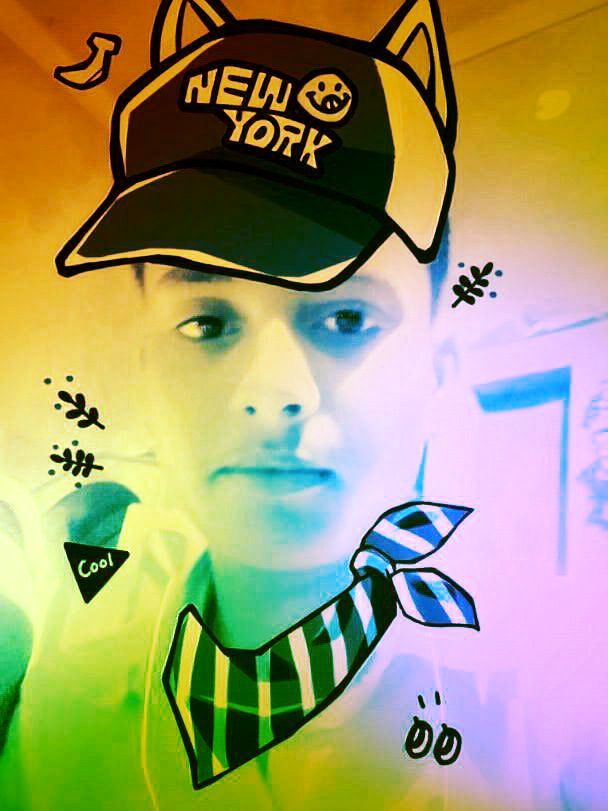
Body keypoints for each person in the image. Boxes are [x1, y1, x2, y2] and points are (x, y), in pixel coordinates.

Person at [0, 0, 480, 808]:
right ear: (147, 365)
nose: (271, 392)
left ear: (440, 369)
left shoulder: (555, 708)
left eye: (346, 318)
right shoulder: (69, 622)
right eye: (207, 322)